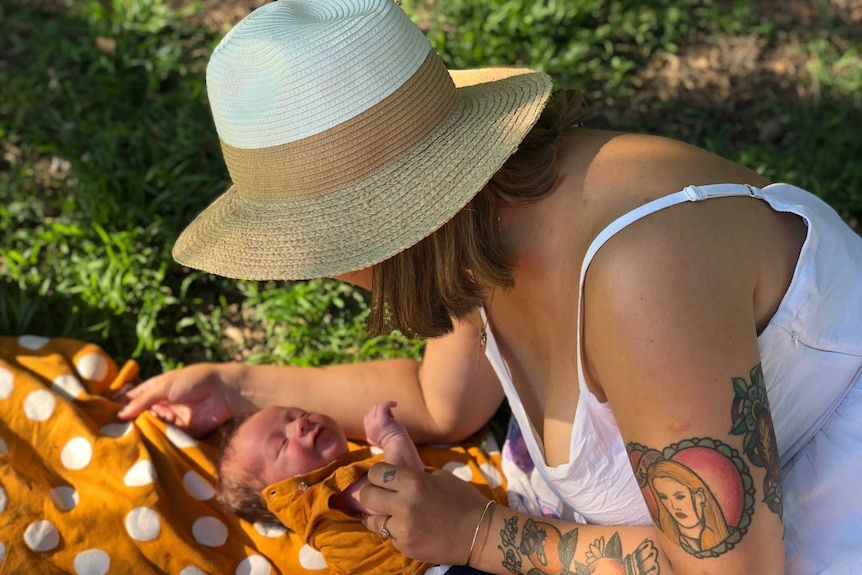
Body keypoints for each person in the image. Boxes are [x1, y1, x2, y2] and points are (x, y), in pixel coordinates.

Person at [116, 1, 862, 574]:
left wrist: (479, 533)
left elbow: (729, 568)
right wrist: (237, 383)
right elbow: (443, 398)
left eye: (313, 249)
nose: (326, 274)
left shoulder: (639, 278)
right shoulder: (486, 220)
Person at [216, 401, 486, 575]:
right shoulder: (323, 494)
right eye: (281, 445)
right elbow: (403, 493)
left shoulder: (338, 497)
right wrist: (392, 439)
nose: (300, 424)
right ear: (281, 495)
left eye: (299, 414)